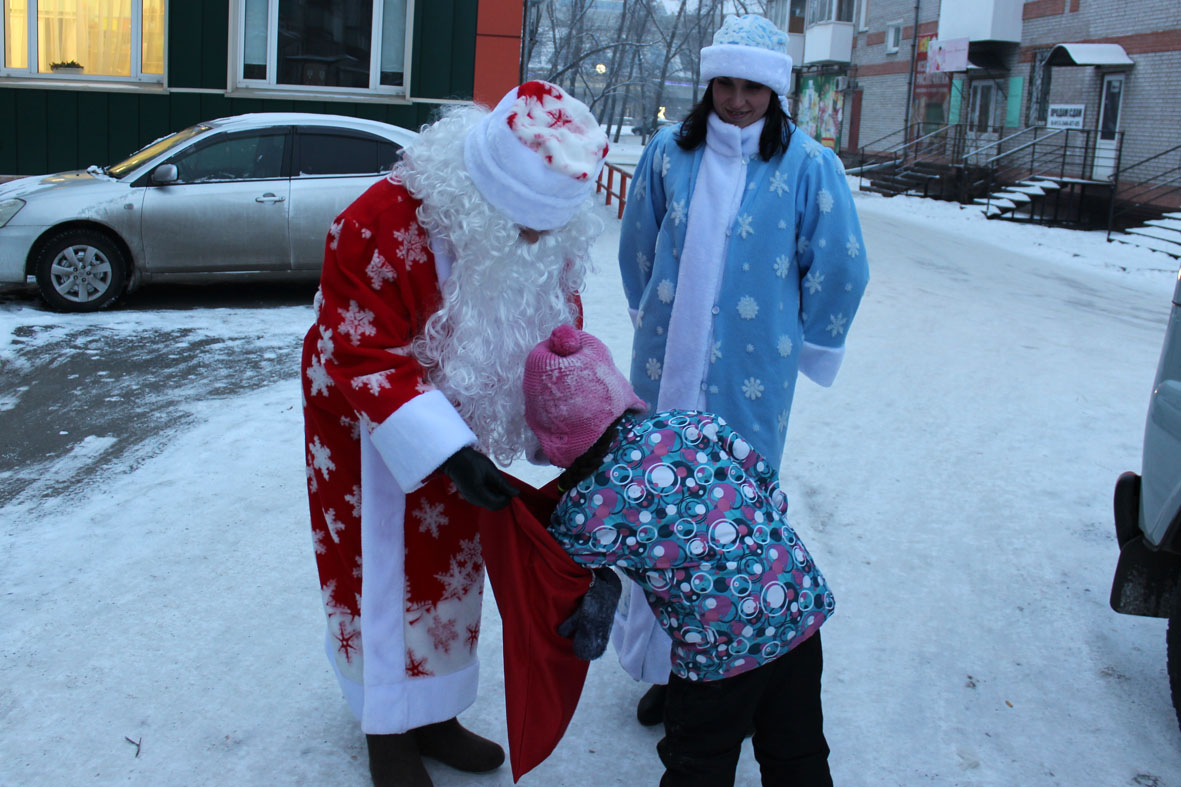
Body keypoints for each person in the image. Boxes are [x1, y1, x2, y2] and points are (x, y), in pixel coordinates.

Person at [300, 81, 608, 787]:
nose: (535, 241)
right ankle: (385, 724)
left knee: (451, 561)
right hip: (363, 421)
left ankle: (432, 709)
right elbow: (361, 348)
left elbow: (556, 330)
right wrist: (443, 446)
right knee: (376, 562)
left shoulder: (543, 231)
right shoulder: (377, 218)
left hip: (462, 422)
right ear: (485, 189)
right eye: (523, 224)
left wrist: (581, 424)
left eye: (547, 228)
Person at [615, 13, 870, 726]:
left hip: (751, 378)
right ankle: (665, 664)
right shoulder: (668, 153)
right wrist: (652, 317)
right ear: (708, 85)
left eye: (751, 87)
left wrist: (811, 340)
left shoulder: (808, 166)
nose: (736, 100)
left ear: (774, 90)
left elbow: (842, 265)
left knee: (733, 517)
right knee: (661, 512)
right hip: (665, 368)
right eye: (724, 84)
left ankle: (720, 668)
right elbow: (639, 241)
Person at [523, 324, 835, 785]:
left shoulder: (592, 507)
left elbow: (560, 561)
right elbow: (765, 480)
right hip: (796, 602)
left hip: (720, 650)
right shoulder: (691, 424)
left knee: (700, 760)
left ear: (556, 440)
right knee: (798, 746)